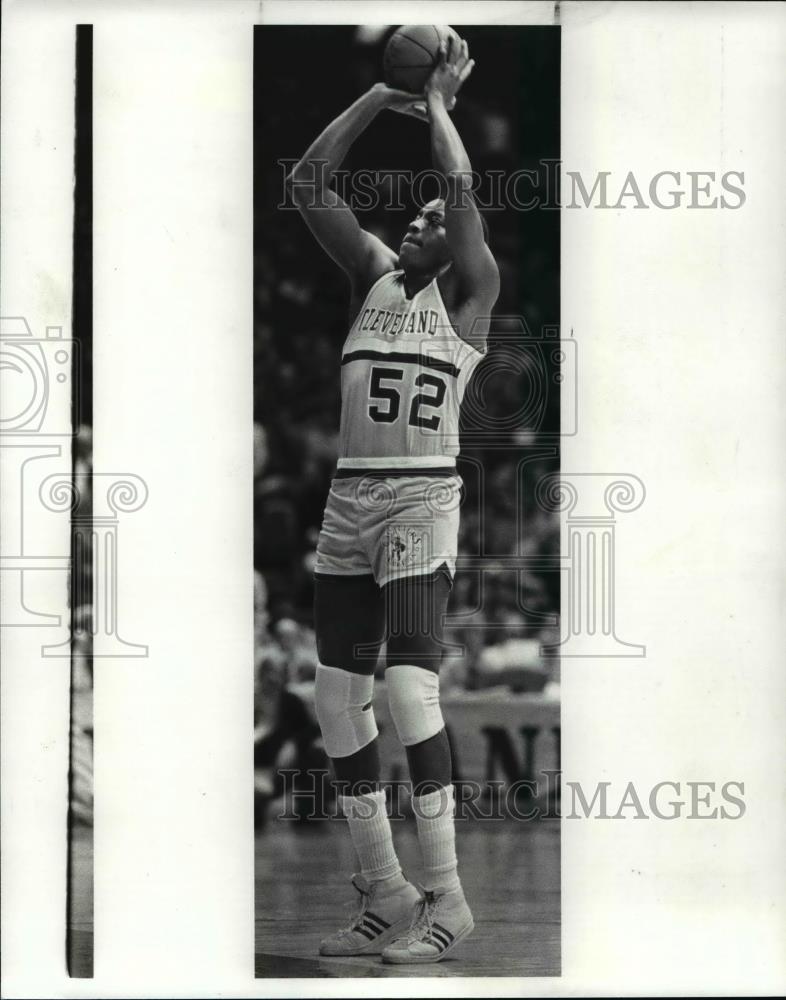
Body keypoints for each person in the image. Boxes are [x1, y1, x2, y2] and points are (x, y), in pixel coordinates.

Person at [286, 35, 499, 964]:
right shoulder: (371, 276)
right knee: (337, 702)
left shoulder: (472, 298)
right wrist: (383, 92)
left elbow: (457, 196)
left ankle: (447, 900)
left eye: (429, 217)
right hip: (349, 502)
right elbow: (308, 184)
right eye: (410, 215)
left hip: (420, 503)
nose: (417, 219)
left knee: (409, 688)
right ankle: (383, 888)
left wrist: (440, 107)